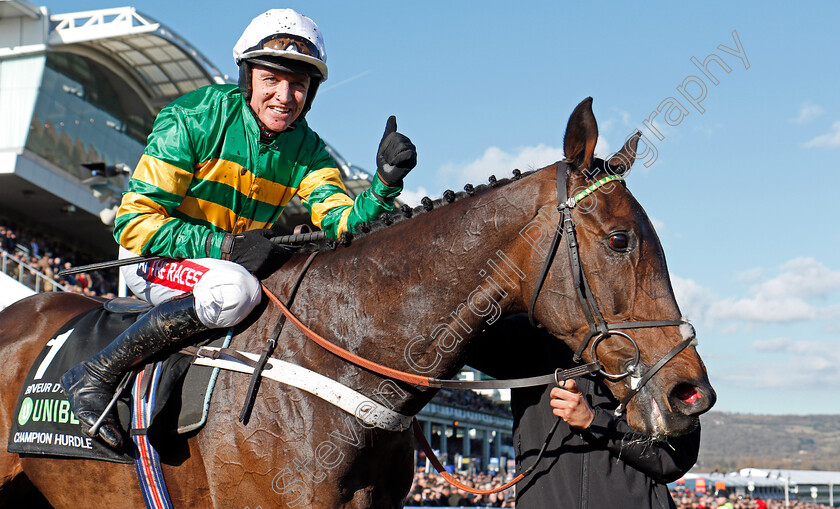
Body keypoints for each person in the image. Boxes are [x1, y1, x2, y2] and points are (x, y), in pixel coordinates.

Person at [60, 8, 417, 450]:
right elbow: (134, 223)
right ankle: (96, 373)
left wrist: (383, 185)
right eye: (272, 80)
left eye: (299, 85)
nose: (285, 96)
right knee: (236, 289)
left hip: (227, 269)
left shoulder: (308, 150)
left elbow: (341, 222)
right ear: (248, 78)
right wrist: (224, 246)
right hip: (155, 262)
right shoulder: (192, 118)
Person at [467, 314, 701, 509]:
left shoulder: (661, 341)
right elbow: (456, 331)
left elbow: (677, 458)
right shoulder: (532, 331)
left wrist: (595, 422)